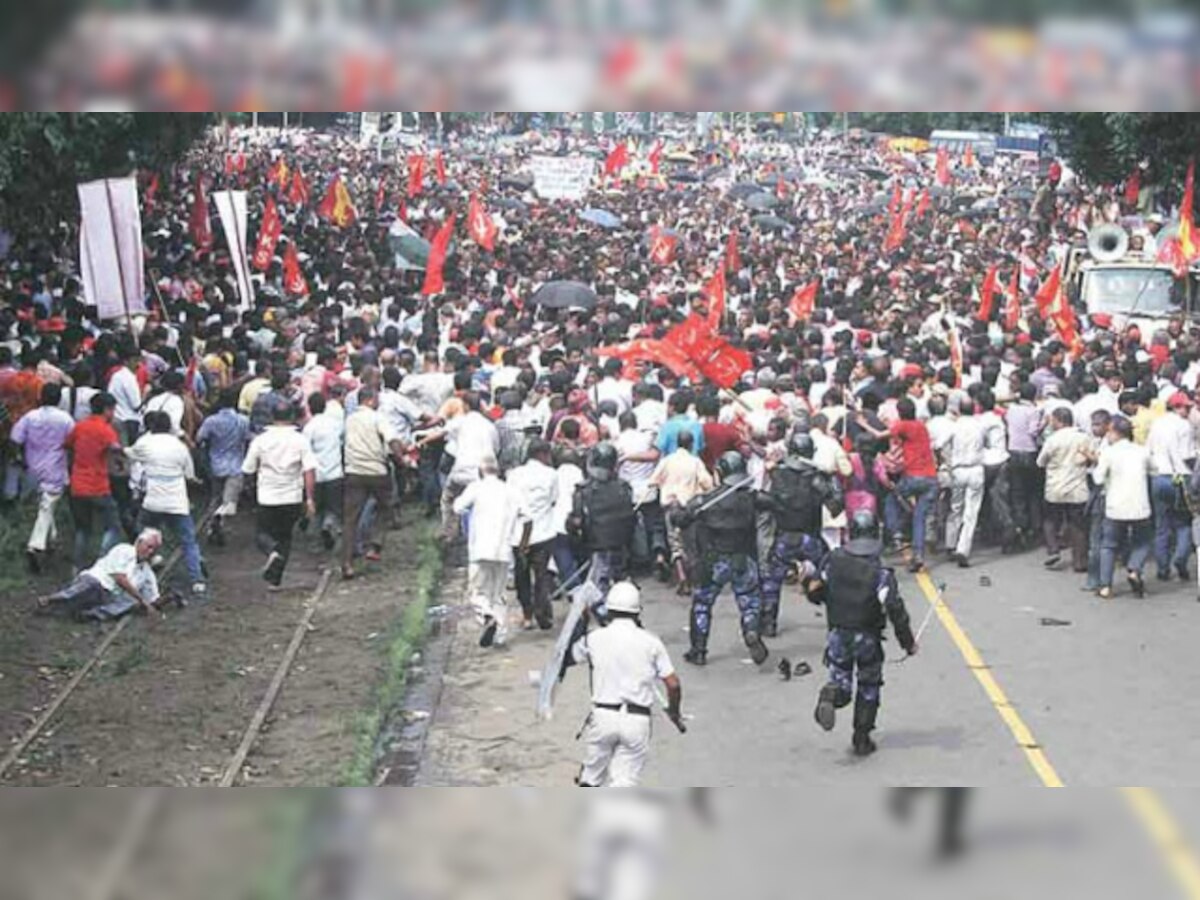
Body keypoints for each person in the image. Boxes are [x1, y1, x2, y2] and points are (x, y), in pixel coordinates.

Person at [814, 510, 917, 757]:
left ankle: (832, 694)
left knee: (841, 680)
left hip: (838, 633)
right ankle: (861, 738)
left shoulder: (832, 561)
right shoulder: (880, 573)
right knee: (869, 685)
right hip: (867, 637)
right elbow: (895, 609)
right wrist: (908, 643)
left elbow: (816, 591)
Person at [568, 582, 683, 788]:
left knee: (590, 778)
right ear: (638, 612)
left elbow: (568, 656)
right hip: (637, 720)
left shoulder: (594, 639)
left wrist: (581, 619)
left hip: (603, 717)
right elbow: (673, 684)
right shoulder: (651, 642)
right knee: (624, 782)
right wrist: (674, 711)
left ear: (609, 610)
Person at [677, 451, 769, 668]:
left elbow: (680, 520)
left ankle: (698, 651)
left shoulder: (705, 501)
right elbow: (776, 503)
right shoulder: (751, 498)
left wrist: (683, 511)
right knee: (750, 603)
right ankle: (751, 631)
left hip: (713, 561)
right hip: (742, 559)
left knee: (702, 605)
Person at [758, 431, 842, 638]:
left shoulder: (778, 475)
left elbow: (764, 501)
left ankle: (769, 622)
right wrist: (831, 482)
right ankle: (838, 620)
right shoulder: (815, 478)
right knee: (831, 575)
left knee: (771, 582)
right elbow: (837, 505)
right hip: (810, 537)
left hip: (785, 536)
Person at [125, 410, 206, 595]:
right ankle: (197, 580)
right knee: (188, 541)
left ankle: (141, 567)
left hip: (153, 500)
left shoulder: (145, 443)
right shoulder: (179, 446)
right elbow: (189, 475)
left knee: (142, 531)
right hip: (177, 501)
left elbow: (130, 455)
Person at [242, 398, 318, 588]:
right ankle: (275, 579)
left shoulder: (260, 440)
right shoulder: (300, 440)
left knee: (262, 534)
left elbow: (248, 469)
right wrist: (309, 498)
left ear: (272, 416)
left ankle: (271, 552)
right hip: (292, 496)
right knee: (285, 536)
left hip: (267, 496)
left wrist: (250, 490)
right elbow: (309, 470)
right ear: (292, 416)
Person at [452, 456, 523, 648]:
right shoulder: (510, 490)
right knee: (498, 593)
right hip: (503, 549)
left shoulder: (476, 487)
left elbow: (457, 507)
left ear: (480, 471)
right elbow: (525, 515)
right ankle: (500, 634)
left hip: (480, 547)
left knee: (478, 591)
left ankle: (486, 614)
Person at [341, 385, 407, 579]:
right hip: (377, 471)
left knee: (350, 519)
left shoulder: (349, 419)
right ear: (370, 400)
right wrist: (401, 459)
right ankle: (375, 545)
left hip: (354, 471)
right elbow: (392, 440)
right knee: (387, 507)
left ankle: (346, 563)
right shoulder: (377, 417)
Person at [10, 382, 74, 572]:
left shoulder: (30, 417)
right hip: (55, 468)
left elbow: (15, 439)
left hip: (32, 468)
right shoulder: (65, 419)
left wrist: (19, 458)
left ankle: (51, 540)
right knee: (47, 506)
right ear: (59, 399)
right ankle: (35, 545)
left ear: (41, 397)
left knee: (45, 505)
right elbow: (72, 443)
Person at [37, 528, 164, 622]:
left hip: (109, 595)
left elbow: (153, 598)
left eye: (154, 550)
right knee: (87, 586)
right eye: (149, 547)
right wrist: (142, 600)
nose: (150, 552)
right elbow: (119, 578)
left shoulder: (147, 572)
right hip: (97, 581)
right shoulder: (124, 550)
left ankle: (90, 615)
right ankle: (52, 599)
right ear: (139, 542)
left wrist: (166, 600)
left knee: (128, 603)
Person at [1093, 415, 1153, 599]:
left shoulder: (1109, 453)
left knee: (1109, 545)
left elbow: (1097, 478)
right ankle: (1134, 569)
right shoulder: (1142, 451)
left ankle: (1105, 586)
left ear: (1115, 432)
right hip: (1139, 505)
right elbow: (1154, 469)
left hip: (1115, 505)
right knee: (1142, 542)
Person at [570, 442, 637, 603]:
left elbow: (577, 522)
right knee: (620, 586)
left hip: (597, 548)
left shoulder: (584, 491)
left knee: (598, 590)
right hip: (622, 548)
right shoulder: (624, 488)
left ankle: (605, 616)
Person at [648, 428, 714, 592]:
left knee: (674, 542)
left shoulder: (667, 461)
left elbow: (653, 481)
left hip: (670, 505)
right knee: (690, 543)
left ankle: (681, 575)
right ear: (691, 445)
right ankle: (692, 577)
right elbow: (707, 483)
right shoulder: (695, 462)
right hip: (689, 507)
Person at [64, 391, 123, 571]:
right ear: (106, 410)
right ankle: (101, 564)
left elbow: (67, 444)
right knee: (113, 527)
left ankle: (77, 568)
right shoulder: (106, 430)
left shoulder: (80, 426)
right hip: (98, 486)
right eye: (113, 410)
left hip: (77, 486)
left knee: (83, 529)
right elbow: (115, 449)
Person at [507, 438, 559, 630]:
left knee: (522, 577)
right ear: (543, 455)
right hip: (543, 533)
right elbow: (554, 500)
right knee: (542, 575)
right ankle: (541, 609)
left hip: (518, 536)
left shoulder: (513, 475)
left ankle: (527, 614)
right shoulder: (551, 475)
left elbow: (510, 502)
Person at [1146, 391, 1195, 582]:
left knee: (1162, 525)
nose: (1189, 410)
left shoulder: (1157, 423)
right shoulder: (1184, 426)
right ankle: (1181, 559)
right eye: (1186, 407)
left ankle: (1162, 568)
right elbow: (1186, 455)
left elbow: (1148, 449)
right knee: (1183, 524)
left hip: (1158, 476)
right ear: (1176, 407)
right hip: (1180, 477)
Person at [885, 398, 939, 571]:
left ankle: (897, 532)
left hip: (913, 477)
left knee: (892, 499)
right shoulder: (921, 427)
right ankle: (919, 555)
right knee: (919, 518)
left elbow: (882, 435)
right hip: (931, 479)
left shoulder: (902, 425)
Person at [1037, 407, 1092, 572]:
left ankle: (1053, 550)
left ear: (1059, 421)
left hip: (1055, 487)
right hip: (1077, 487)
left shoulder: (1053, 440)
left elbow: (1040, 461)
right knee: (1078, 525)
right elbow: (1090, 458)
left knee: (1051, 520)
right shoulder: (1084, 438)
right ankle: (1080, 561)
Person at [194, 387, 249, 546]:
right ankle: (219, 519)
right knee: (229, 503)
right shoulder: (243, 421)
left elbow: (199, 438)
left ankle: (213, 525)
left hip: (215, 465)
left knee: (215, 497)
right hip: (235, 466)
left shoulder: (211, 421)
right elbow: (247, 438)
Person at [939, 398, 986, 567]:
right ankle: (963, 549)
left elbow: (938, 445)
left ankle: (950, 544)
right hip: (976, 469)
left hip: (958, 470)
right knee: (971, 512)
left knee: (955, 507)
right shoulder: (980, 425)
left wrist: (947, 461)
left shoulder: (954, 426)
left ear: (959, 410)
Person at [301, 391, 345, 551]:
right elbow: (342, 440)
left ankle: (316, 541)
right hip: (335, 473)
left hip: (317, 475)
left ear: (310, 408)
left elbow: (304, 451)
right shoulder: (334, 424)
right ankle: (329, 524)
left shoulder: (309, 428)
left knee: (317, 508)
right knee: (334, 507)